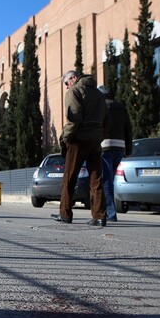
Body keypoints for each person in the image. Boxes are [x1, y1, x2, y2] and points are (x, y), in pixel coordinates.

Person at [52, 70, 110, 226]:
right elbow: (107, 118)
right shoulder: (99, 94)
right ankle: (99, 216)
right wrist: (99, 135)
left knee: (69, 178)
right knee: (96, 178)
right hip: (95, 140)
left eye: (66, 83)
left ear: (74, 78)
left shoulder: (75, 91)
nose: (66, 87)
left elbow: (74, 118)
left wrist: (66, 137)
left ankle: (65, 214)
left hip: (78, 139)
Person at [98, 85, 132, 222]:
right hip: (120, 147)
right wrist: (128, 150)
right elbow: (128, 129)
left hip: (105, 146)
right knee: (109, 179)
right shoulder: (121, 108)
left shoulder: (101, 107)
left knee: (106, 180)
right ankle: (106, 211)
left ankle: (110, 214)